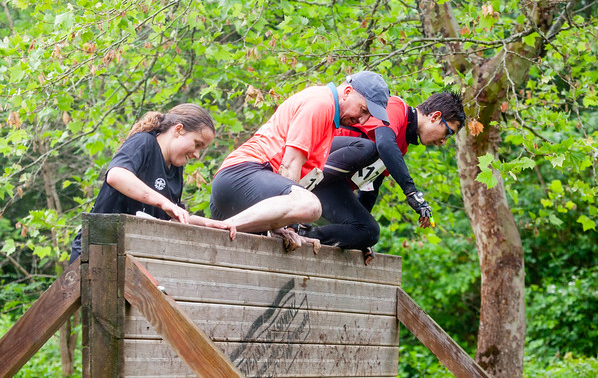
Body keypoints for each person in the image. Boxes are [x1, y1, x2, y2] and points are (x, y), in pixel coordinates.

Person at [209, 71, 390, 251]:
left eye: (368, 116)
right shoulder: (321, 103)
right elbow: (289, 166)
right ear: (348, 92)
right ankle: (219, 226)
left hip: (242, 195)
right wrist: (291, 226)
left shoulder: (329, 118)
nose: (362, 119)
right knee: (309, 205)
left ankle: (225, 225)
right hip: (240, 176)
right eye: (363, 110)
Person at [302, 90, 466, 264]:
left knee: (370, 231)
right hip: (315, 163)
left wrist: (356, 238)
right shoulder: (396, 107)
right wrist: (411, 192)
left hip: (331, 185)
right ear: (435, 116)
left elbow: (370, 187)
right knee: (370, 149)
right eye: (448, 132)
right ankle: (299, 189)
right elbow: (384, 143)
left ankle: (304, 235)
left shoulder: (401, 145)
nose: (443, 142)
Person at [69, 104, 235, 263]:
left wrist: (207, 224)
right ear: (178, 130)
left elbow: (173, 216)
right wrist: (163, 202)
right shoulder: (144, 142)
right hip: (95, 252)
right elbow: (116, 175)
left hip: (130, 257)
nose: (197, 154)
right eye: (197, 144)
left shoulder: (176, 169)